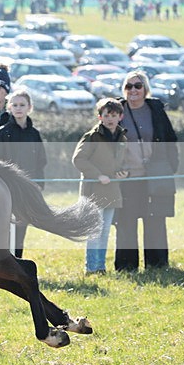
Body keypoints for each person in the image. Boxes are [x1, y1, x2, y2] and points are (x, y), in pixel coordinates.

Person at [114, 71, 179, 272]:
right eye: (128, 86)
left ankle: (157, 264)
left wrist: (169, 168)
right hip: (127, 178)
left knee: (155, 220)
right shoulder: (116, 110)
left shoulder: (156, 110)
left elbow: (170, 139)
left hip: (154, 175)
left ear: (145, 89)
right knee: (125, 222)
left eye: (137, 86)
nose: (133, 90)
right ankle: (126, 266)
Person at [72, 98, 129, 274]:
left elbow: (121, 163)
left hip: (112, 191)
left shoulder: (122, 138)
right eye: (106, 115)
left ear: (120, 116)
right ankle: (91, 267)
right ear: (100, 117)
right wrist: (98, 175)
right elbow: (78, 159)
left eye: (113, 115)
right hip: (93, 191)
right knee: (94, 231)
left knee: (105, 231)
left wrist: (124, 172)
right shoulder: (92, 136)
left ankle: (101, 267)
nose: (110, 119)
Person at [0, 89, 47, 258]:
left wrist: (38, 184)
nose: (18, 108)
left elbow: (41, 162)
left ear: (29, 107)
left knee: (21, 228)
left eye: (22, 105)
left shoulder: (34, 134)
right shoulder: (3, 133)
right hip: (6, 189)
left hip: (27, 189)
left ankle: (18, 262)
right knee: (4, 228)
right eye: (14, 105)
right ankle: (1, 263)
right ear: (9, 107)